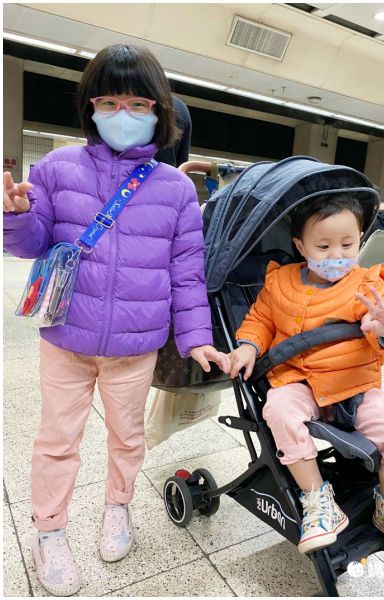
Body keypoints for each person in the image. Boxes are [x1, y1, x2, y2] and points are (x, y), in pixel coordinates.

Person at [2, 44, 229, 596]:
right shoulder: (57, 167)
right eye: (107, 101)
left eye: (135, 102)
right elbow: (34, 246)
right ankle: (49, 531)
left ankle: (117, 508)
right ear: (90, 107)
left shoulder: (176, 188)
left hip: (136, 345)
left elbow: (186, 274)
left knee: (127, 438)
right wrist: (18, 215)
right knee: (58, 439)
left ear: (158, 110)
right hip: (67, 336)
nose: (120, 114)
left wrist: (197, 337)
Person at [227, 193, 384, 558]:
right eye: (324, 245)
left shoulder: (366, 284)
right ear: (301, 245)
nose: (337, 255)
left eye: (348, 245)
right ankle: (317, 499)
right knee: (279, 411)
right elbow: (260, 321)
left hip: (356, 387)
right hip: (297, 382)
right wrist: (248, 347)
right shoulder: (279, 281)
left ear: (360, 241)